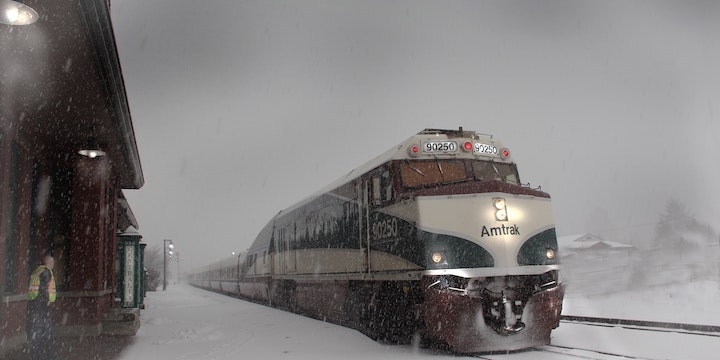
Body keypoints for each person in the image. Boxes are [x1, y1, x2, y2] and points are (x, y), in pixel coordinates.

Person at [27, 255, 58, 360]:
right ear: (49, 263)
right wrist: (47, 300)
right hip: (43, 306)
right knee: (48, 332)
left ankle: (36, 355)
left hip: (35, 305)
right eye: (52, 263)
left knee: (37, 332)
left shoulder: (37, 271)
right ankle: (51, 356)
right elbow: (43, 288)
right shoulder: (46, 272)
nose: (53, 265)